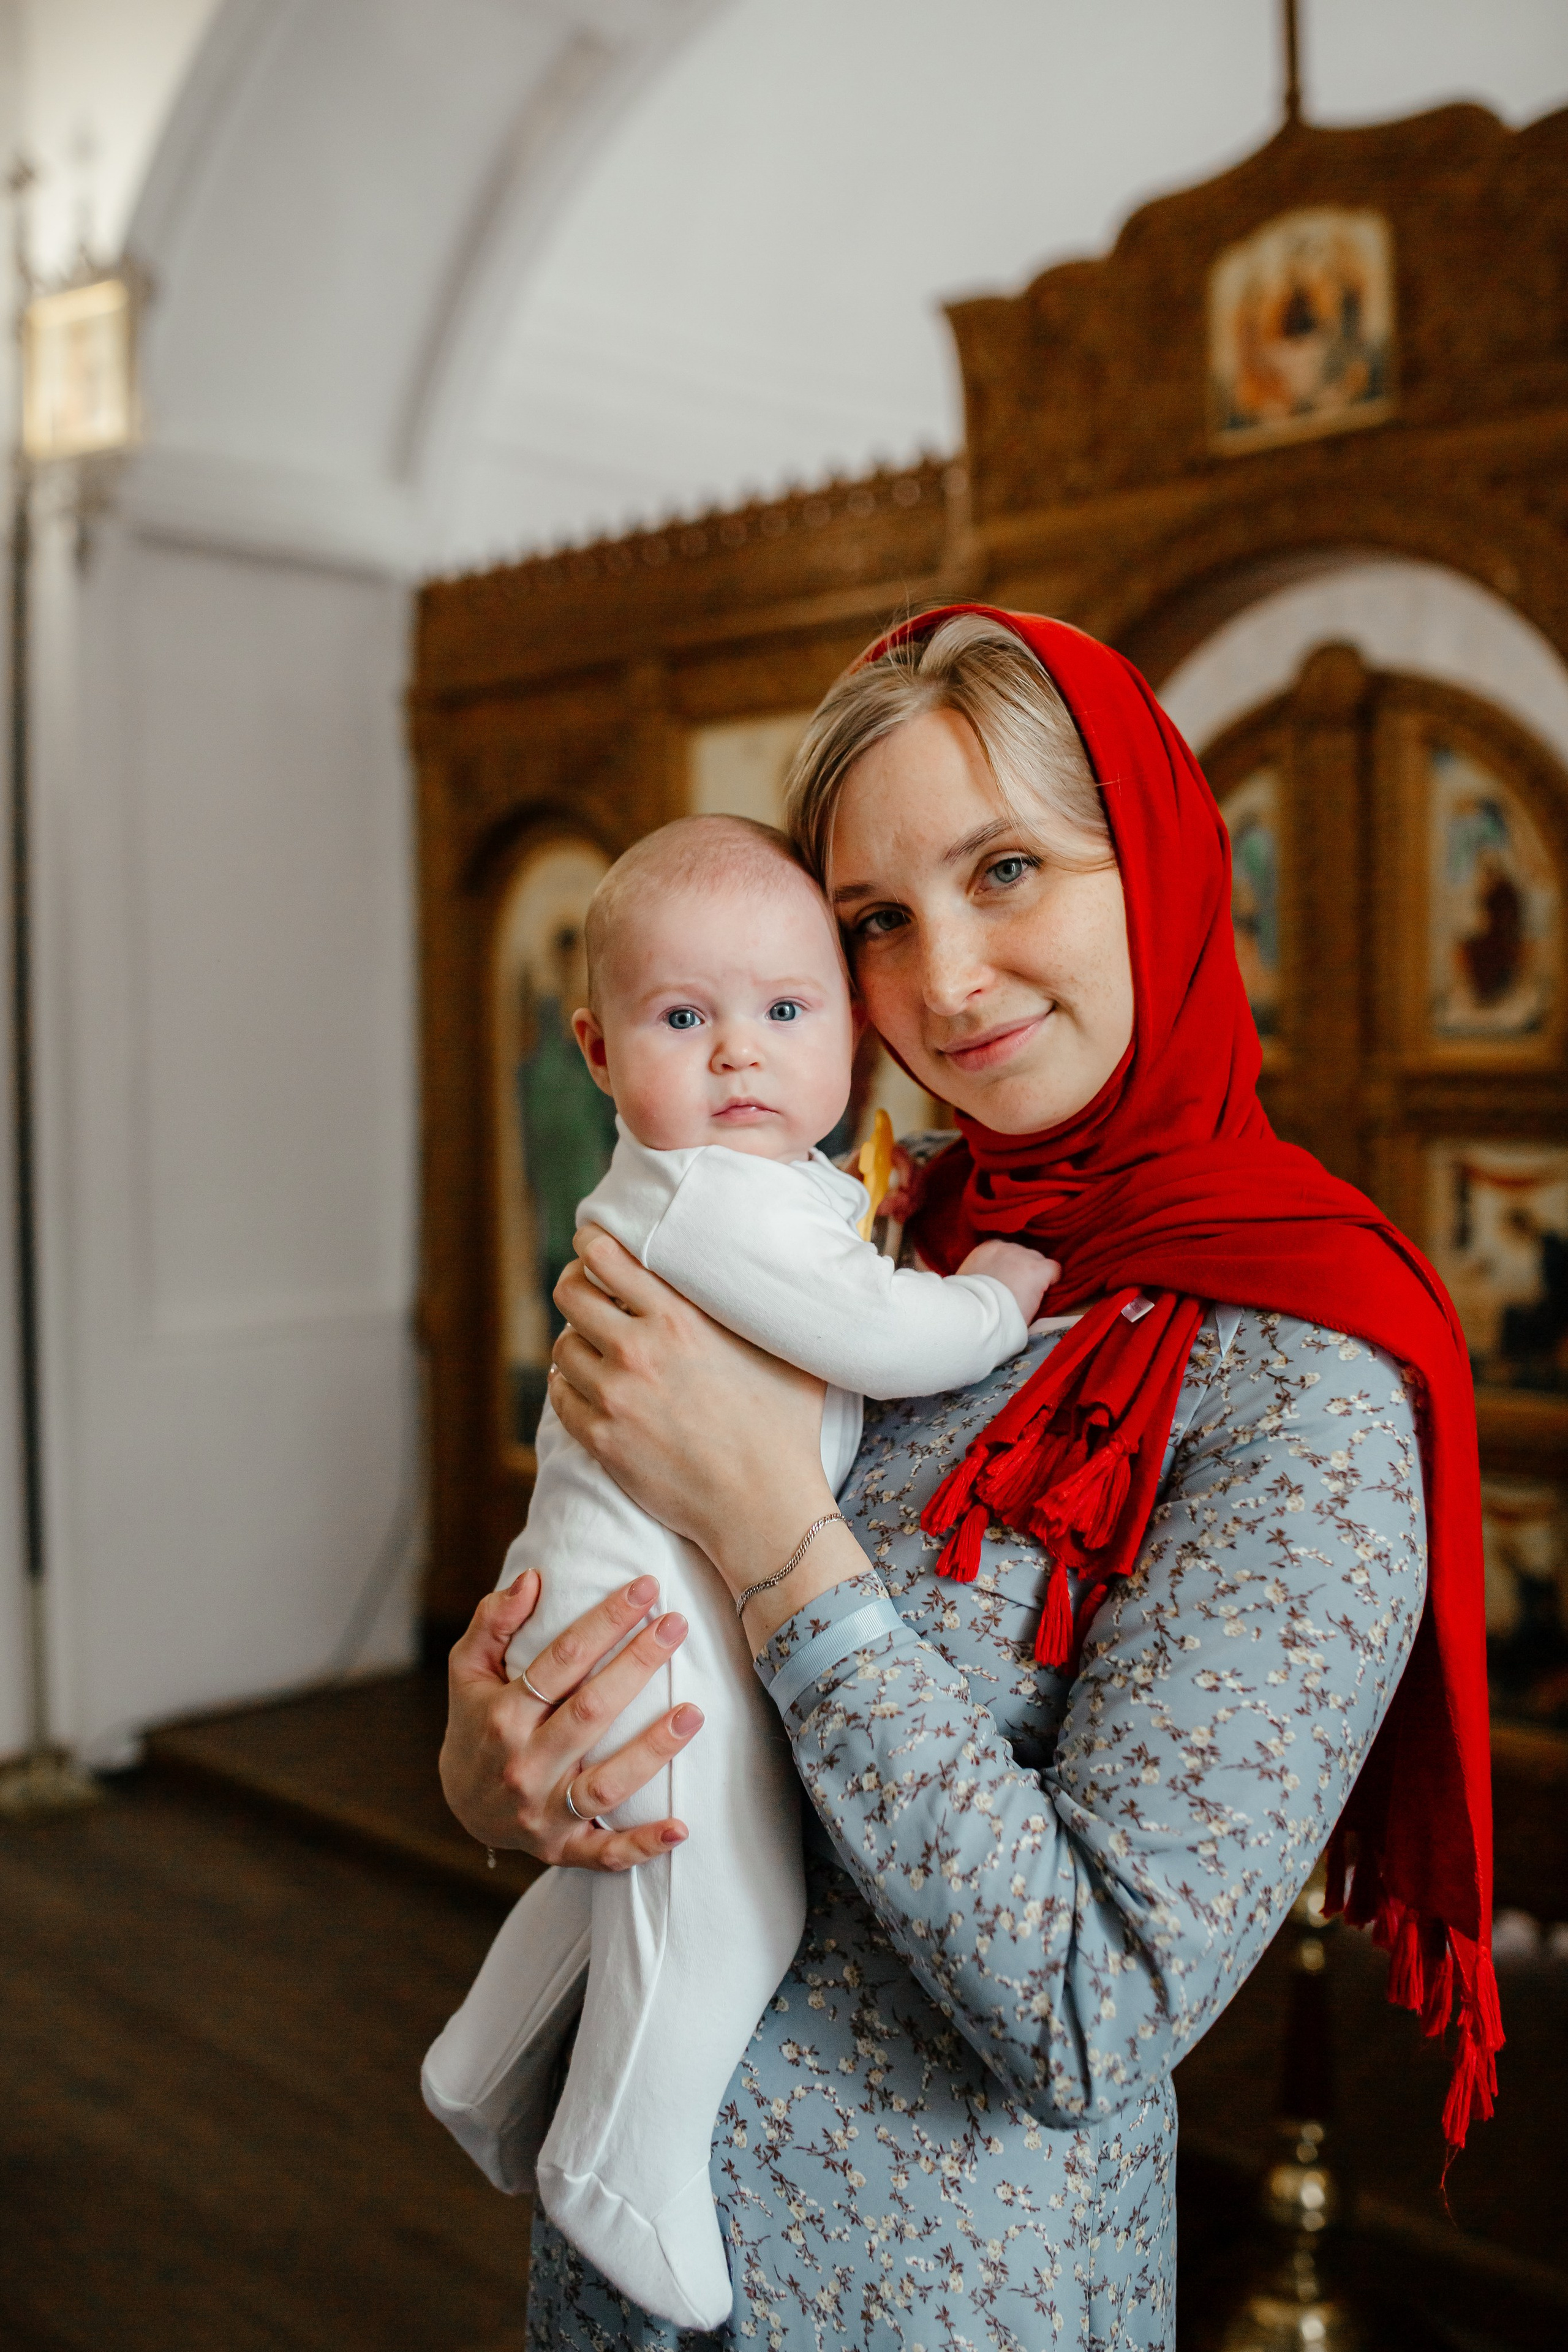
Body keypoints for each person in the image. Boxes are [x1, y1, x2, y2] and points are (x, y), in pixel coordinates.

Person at [439, 609, 1498, 2352]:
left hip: (923, 2303)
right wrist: (505, 1762)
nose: (943, 979)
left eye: (1007, 869)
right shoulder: (864, 1228)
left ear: (1158, 864)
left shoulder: (1299, 1375)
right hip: (615, 2282)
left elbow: (1090, 2014)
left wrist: (779, 1540)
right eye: (874, 920)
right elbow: (617, 1616)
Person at [426, 813, 1052, 2332]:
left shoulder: (773, 1190)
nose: (738, 1059)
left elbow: (830, 1273)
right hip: (644, 1621)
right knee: (723, 1904)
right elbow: (878, 1337)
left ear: (845, 1021)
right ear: (593, 1047)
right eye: (681, 1019)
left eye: (783, 1012)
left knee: (619, 1886)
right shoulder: (703, 1194)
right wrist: (991, 1301)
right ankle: (619, 2167)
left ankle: (485, 2061)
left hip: (628, 1599)